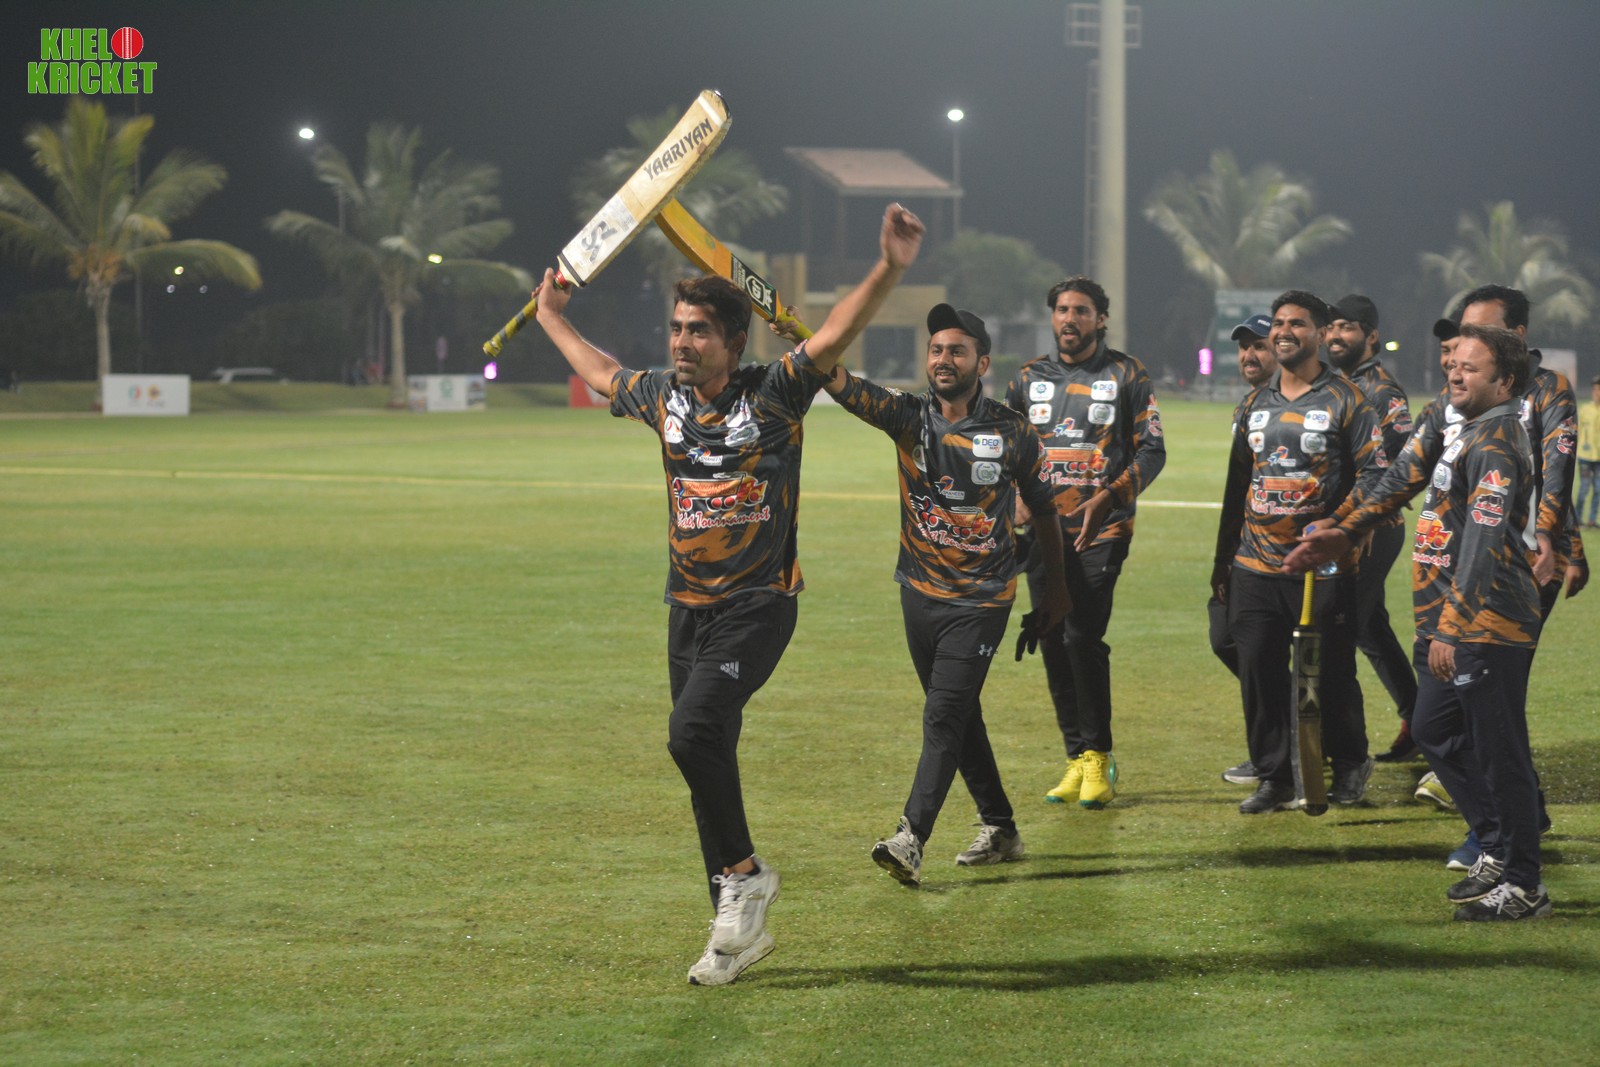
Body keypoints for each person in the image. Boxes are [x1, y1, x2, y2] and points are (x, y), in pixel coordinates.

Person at [531, 203, 925, 986]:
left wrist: (889, 266)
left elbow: (833, 335)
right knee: (707, 758)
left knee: (690, 732)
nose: (682, 341)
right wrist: (549, 315)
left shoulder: (775, 393)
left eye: (699, 331)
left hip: (758, 603)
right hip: (687, 608)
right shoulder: (662, 398)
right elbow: (600, 369)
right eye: (677, 328)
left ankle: (745, 876)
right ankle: (733, 930)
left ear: (733, 343)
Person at [1300, 325, 1549, 919]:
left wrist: (1452, 628)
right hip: (1447, 620)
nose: (1454, 373)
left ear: (1505, 382)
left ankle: (1525, 885)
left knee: (1499, 750)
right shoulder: (1456, 420)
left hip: (1487, 622)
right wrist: (1346, 529)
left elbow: (1485, 543)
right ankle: (1496, 845)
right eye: (1452, 363)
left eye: (1470, 367)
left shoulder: (1496, 443)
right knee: (1434, 730)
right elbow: (1400, 478)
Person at [822, 305, 1070, 887]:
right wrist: (808, 337)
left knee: (942, 714)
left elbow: (1046, 512)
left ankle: (911, 837)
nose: (943, 359)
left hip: (982, 599)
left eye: (957, 350)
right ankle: (1001, 827)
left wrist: (1056, 592)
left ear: (981, 363)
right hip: (918, 592)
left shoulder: (1013, 431)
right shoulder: (906, 415)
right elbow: (837, 380)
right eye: (936, 349)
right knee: (958, 714)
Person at [1212, 290, 1384, 814]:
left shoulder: (1347, 400)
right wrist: (1222, 561)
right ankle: (1275, 777)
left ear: (1321, 334)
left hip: (1323, 567)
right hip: (1255, 563)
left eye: (1298, 323)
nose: (1284, 331)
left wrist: (1337, 523)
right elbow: (1237, 485)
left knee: (1330, 673)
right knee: (1259, 672)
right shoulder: (1254, 404)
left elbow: (1376, 475)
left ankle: (1350, 761)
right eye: (1279, 323)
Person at [1004, 276, 1166, 808]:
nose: (1069, 319)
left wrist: (1110, 498)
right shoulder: (1028, 378)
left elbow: (1152, 451)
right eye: (1062, 310)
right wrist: (1013, 497)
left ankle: (1098, 755)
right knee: (1051, 635)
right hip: (1043, 533)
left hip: (1102, 530)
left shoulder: (1126, 373)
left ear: (1101, 319)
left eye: (1081, 310)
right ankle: (1075, 756)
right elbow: (1002, 448)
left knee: (1081, 636)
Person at [1326, 295, 1420, 763]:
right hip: (1340, 527)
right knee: (1367, 627)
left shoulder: (1383, 390)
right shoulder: (1334, 386)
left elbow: (1398, 465)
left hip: (1373, 529)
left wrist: (1361, 521)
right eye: (1330, 327)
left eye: (1346, 326)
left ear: (1371, 335)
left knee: (1339, 628)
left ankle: (1337, 745)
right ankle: (1419, 719)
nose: (1334, 335)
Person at [1213, 314, 1276, 787]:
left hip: (1292, 552)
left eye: (1260, 346)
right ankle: (1286, 738)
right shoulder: (1249, 404)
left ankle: (1308, 749)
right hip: (1249, 549)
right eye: (1244, 347)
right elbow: (1238, 490)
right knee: (1228, 638)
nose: (1249, 355)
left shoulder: (1311, 402)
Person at [1577, 375, 1600, 527]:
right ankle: (1577, 518)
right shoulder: (1585, 409)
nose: (1597, 393)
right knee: (1584, 488)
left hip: (1599, 457)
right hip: (1585, 456)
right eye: (1595, 389)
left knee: (1598, 489)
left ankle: (1592, 520)